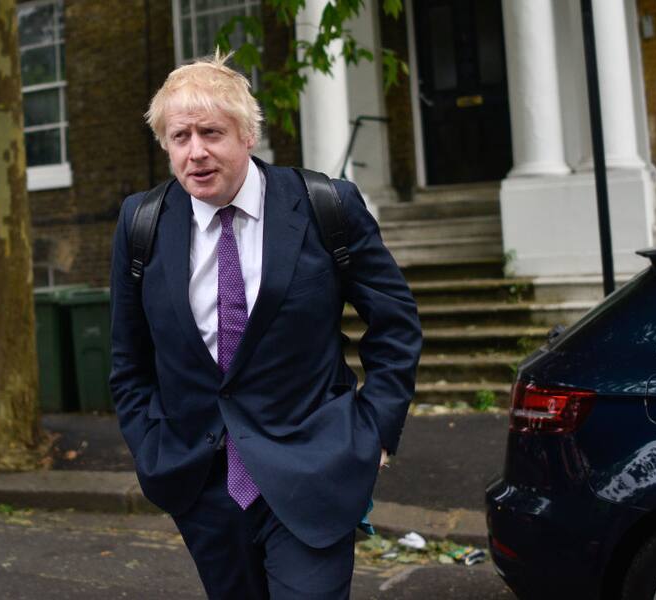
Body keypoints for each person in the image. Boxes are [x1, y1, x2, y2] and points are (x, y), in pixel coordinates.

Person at [110, 52, 422, 599]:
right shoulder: (143, 223)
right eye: (180, 136)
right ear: (166, 145)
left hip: (314, 467)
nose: (196, 152)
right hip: (201, 481)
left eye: (211, 132)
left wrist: (376, 429)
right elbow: (128, 358)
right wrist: (150, 442)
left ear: (248, 134)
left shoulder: (326, 204)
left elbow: (394, 321)